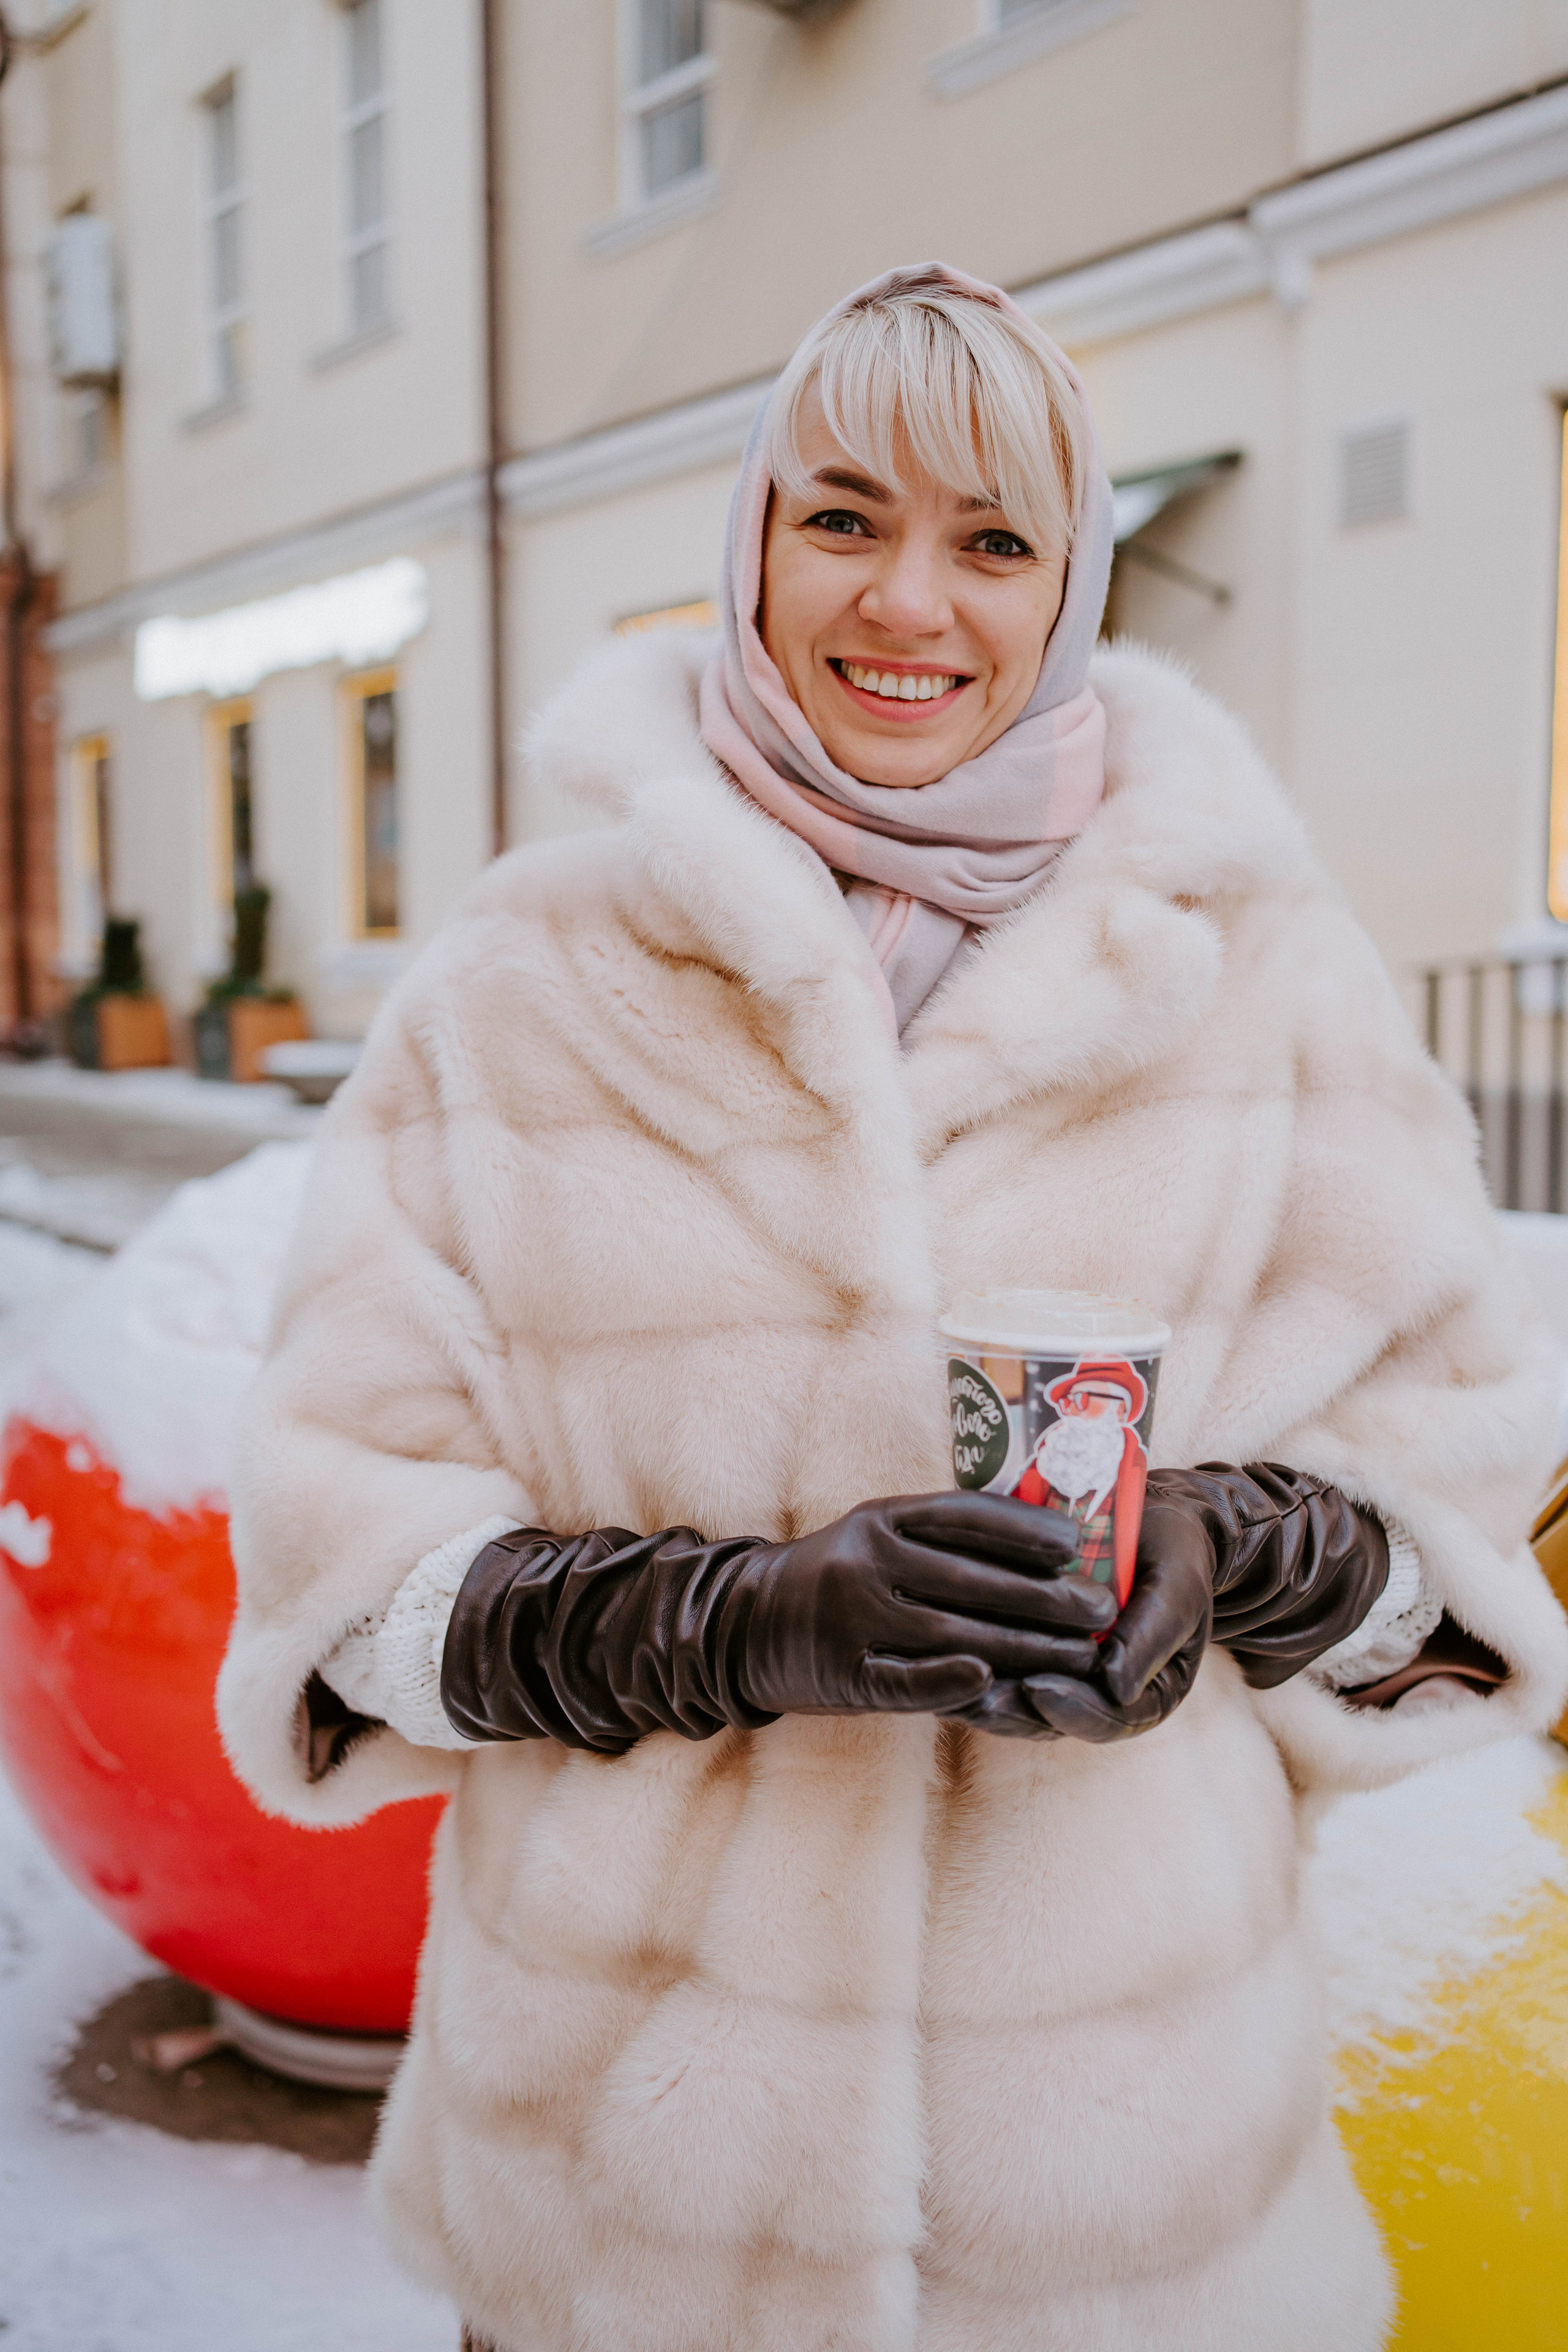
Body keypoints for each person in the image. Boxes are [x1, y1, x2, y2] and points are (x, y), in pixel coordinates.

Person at [219, 264, 1568, 2352]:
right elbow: (347, 1592)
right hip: (631, 2222)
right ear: (752, 540)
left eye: (994, 539)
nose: (909, 606)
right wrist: (733, 1626)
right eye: (844, 516)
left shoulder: (1258, 971)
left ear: (1073, 584)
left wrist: (1243, 1558)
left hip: (1119, 2228)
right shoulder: (518, 988)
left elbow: (1453, 1540)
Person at [1013, 1358, 1148, 1593]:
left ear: (1119, 1410)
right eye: (1068, 1402)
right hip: (1036, 1596)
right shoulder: (1050, 1459)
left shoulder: (1133, 1468)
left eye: (1082, 1399)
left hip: (1101, 1606)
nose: (1071, 1410)